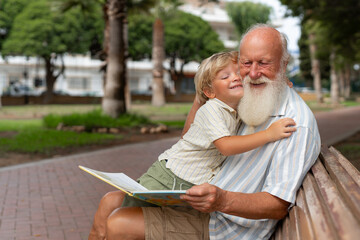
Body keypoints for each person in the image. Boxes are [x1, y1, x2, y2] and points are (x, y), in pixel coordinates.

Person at [104, 24, 321, 240]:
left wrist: (222, 200)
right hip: (207, 204)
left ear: (283, 65)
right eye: (246, 63)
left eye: (264, 63)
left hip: (224, 225)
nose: (253, 73)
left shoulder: (296, 125)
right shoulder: (255, 95)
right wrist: (202, 97)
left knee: (118, 222)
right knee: (110, 202)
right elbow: (192, 134)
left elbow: (277, 205)